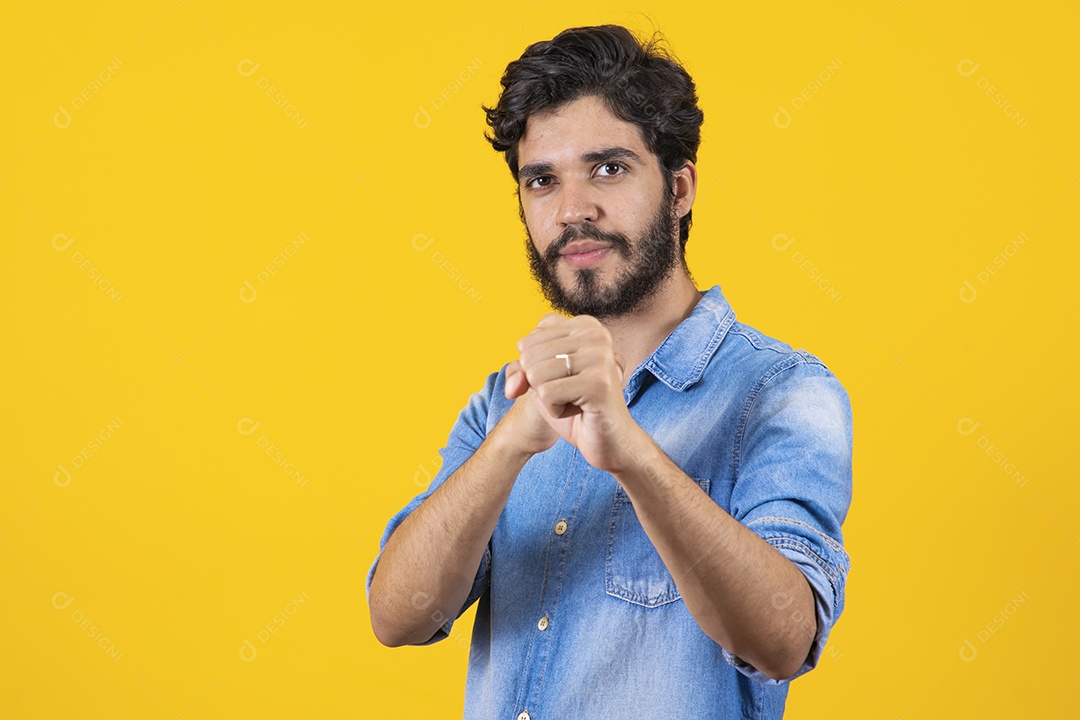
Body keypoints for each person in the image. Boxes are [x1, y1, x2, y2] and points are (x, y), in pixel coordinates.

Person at [366, 24, 852, 719]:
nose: (573, 211)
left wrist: (627, 450)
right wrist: (514, 439)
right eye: (543, 181)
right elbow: (397, 618)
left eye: (608, 169)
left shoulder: (782, 393)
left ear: (679, 189)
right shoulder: (504, 403)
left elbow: (783, 640)